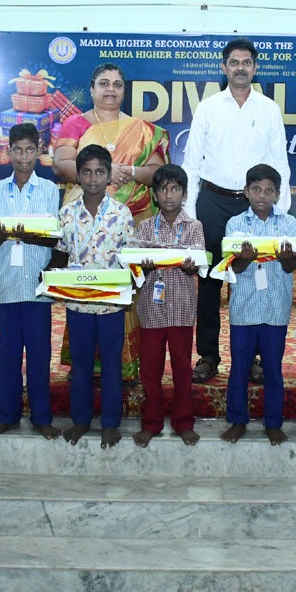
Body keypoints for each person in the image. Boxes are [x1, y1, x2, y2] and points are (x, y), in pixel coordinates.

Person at [182, 38, 291, 384]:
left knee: (253, 279)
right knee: (210, 281)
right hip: (213, 202)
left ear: (255, 68)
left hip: (254, 204)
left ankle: (254, 357)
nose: (240, 68)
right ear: (224, 67)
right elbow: (192, 162)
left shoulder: (269, 109)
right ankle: (208, 355)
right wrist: (190, 213)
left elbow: (280, 162)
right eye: (234, 62)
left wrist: (280, 213)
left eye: (246, 62)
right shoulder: (208, 108)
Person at [52, 63, 168, 383]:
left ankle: (126, 365)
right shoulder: (76, 123)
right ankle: (85, 362)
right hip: (85, 218)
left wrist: (128, 171)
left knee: (129, 288)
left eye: (117, 84)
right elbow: (61, 163)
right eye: (103, 83)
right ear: (92, 89)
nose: (110, 90)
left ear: (124, 91)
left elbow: (156, 172)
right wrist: (101, 175)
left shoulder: (141, 129)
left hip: (128, 219)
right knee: (85, 287)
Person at [0, 124, 61, 440]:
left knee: (39, 356)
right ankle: (8, 415)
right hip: (6, 284)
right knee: (9, 356)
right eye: (17, 150)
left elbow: (53, 237)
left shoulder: (49, 189)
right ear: (8, 152)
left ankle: (41, 417)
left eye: (30, 150)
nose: (24, 156)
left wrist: (28, 234)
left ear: (39, 151)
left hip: (37, 286)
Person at [57, 144, 135, 449]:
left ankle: (110, 422)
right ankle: (80, 419)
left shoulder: (121, 213)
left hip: (110, 304)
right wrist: (51, 279)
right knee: (81, 365)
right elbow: (60, 256)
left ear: (109, 175)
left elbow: (130, 258)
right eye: (87, 172)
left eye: (100, 172)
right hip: (78, 304)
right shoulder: (66, 214)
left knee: (112, 366)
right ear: (78, 176)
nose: (93, 178)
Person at [221, 164, 296, 446]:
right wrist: (244, 258)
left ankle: (273, 422)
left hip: (275, 308)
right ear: (246, 191)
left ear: (277, 193)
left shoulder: (289, 224)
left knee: (273, 369)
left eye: (268, 190)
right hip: (244, 308)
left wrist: (287, 258)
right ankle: (237, 420)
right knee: (239, 368)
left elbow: (291, 267)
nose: (262, 196)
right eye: (256, 189)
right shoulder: (235, 224)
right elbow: (233, 269)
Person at [132, 164, 205, 448]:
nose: (169, 195)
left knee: (182, 367)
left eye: (175, 189)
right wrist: (143, 266)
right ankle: (151, 421)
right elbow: (135, 270)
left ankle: (183, 421)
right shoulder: (145, 228)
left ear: (184, 194)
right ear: (154, 194)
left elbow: (200, 265)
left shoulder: (194, 227)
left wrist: (191, 267)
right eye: (163, 189)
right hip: (151, 308)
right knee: (150, 368)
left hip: (182, 309)